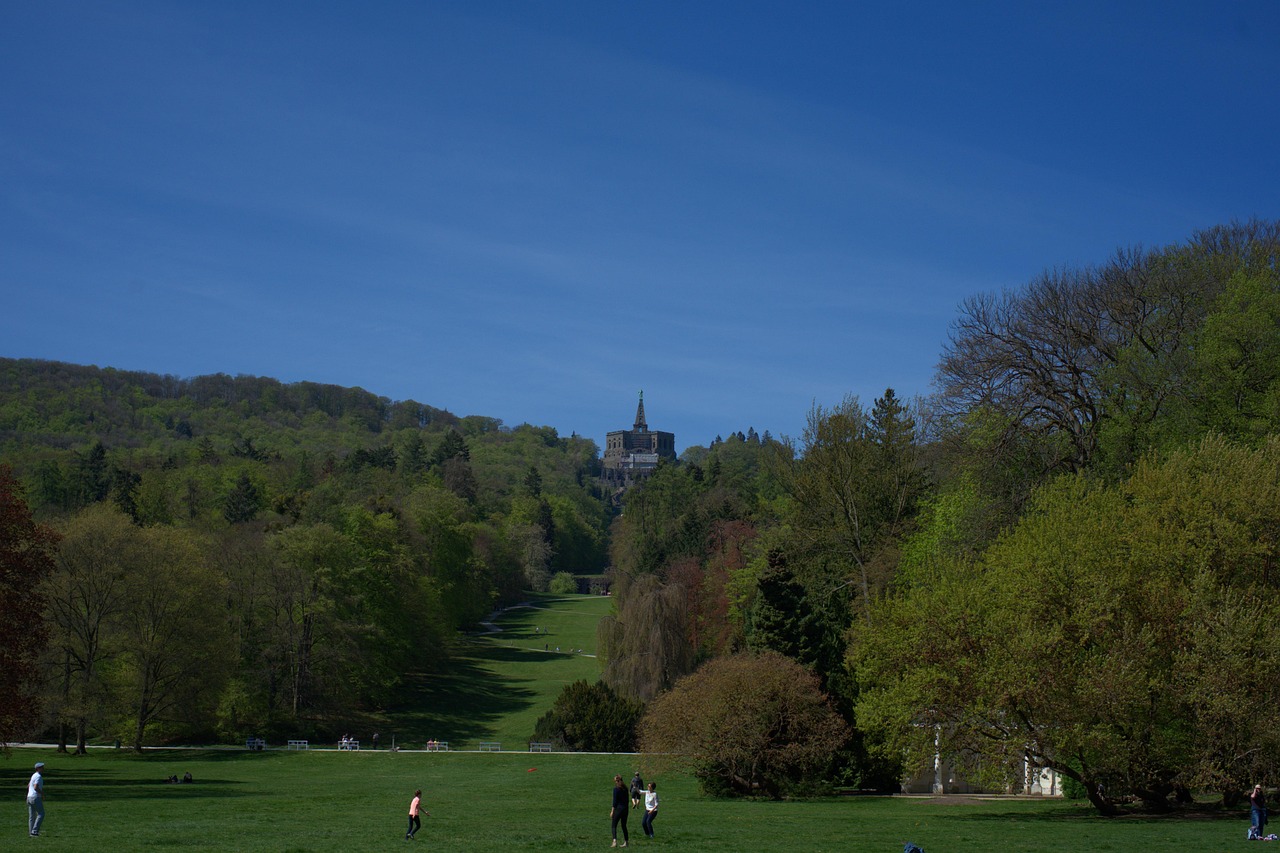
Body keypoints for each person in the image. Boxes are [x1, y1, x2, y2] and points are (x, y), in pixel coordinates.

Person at [610, 774, 629, 847]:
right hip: (625, 809)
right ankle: (626, 842)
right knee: (624, 825)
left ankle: (614, 841)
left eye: (615, 781)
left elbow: (615, 802)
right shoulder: (625, 788)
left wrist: (612, 811)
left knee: (614, 825)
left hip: (618, 809)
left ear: (617, 781)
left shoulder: (616, 789)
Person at [28, 761, 45, 837]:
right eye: (41, 767)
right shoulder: (38, 776)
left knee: (32, 816)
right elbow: (35, 787)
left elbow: (29, 785)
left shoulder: (33, 775)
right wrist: (42, 793)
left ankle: (31, 832)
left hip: (29, 797)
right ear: (37, 768)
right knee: (41, 814)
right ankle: (34, 831)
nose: (43, 769)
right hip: (35, 797)